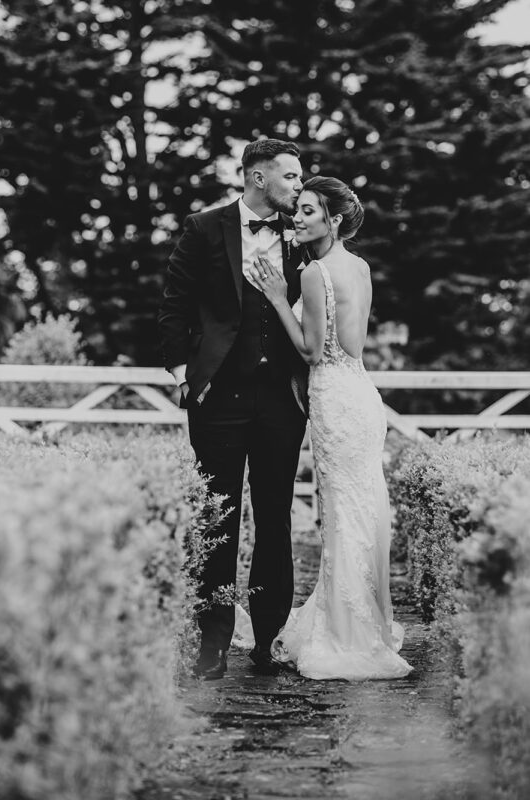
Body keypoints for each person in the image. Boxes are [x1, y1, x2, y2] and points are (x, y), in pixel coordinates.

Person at [248, 176, 412, 680]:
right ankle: (366, 622)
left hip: (336, 401)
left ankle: (348, 635)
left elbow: (312, 350)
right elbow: (354, 345)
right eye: (297, 210)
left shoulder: (315, 272)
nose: (296, 218)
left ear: (334, 219)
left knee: (343, 514)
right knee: (359, 512)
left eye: (307, 211)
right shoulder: (358, 266)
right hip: (360, 394)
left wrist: (279, 296)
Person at [158, 139, 308, 680]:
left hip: (281, 401)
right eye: (290, 176)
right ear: (257, 177)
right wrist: (183, 377)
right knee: (217, 518)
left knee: (275, 518)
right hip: (218, 396)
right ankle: (213, 642)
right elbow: (174, 303)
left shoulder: (303, 232)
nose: (299, 185)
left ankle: (269, 639)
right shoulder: (203, 228)